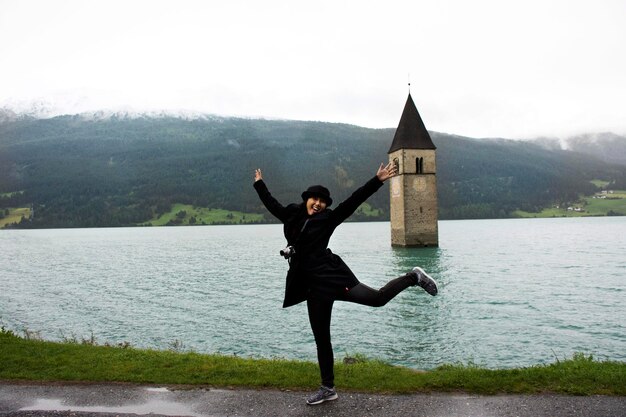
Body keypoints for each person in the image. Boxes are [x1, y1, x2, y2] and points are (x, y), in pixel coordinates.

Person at [253, 163, 438, 405]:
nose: (318, 204)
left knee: (378, 299)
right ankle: (328, 388)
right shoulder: (291, 215)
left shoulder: (329, 219)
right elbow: (271, 204)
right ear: (307, 199)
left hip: (334, 279)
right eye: (314, 199)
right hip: (312, 288)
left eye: (322, 201)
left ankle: (413, 277)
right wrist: (259, 184)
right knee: (322, 338)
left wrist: (377, 180)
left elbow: (353, 201)